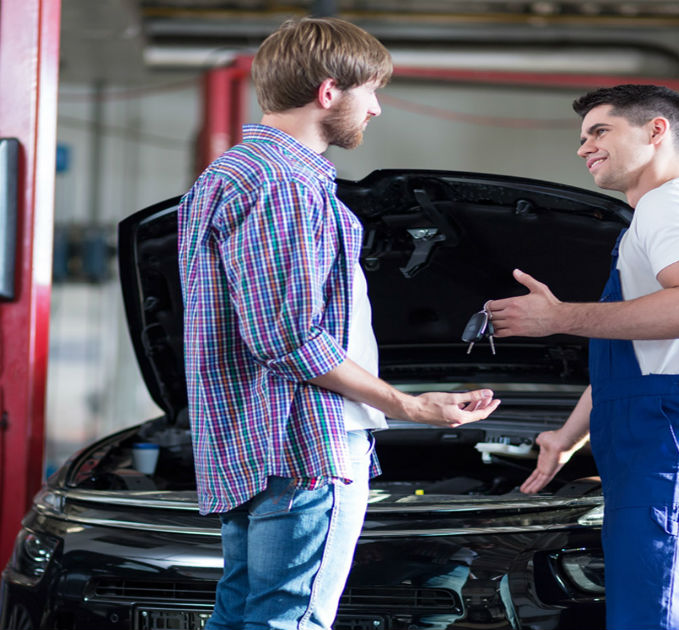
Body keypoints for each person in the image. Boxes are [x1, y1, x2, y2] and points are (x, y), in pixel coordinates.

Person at [176, 17, 500, 630]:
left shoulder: (229, 176)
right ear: (329, 92)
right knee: (289, 621)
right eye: (371, 91)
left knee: (243, 617)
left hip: (253, 444)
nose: (376, 109)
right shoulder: (286, 186)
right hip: (302, 445)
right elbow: (288, 336)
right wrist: (409, 406)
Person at [486, 84, 679, 630]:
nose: (584, 147)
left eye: (600, 131)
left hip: (673, 432)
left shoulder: (674, 203)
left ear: (655, 130)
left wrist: (558, 317)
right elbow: (646, 357)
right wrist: (566, 437)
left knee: (660, 613)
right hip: (677, 425)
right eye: (583, 136)